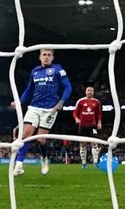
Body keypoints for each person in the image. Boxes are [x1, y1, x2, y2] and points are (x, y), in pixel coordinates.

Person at [10, 48, 72, 176]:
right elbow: (29, 90)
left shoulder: (58, 69)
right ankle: (19, 165)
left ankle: (44, 158)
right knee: (26, 135)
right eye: (44, 55)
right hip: (34, 108)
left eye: (49, 55)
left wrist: (60, 103)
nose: (46, 57)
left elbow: (68, 87)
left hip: (50, 109)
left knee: (41, 140)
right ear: (40, 57)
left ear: (52, 57)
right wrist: (19, 102)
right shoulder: (35, 71)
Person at [72, 85, 103, 169]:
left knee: (94, 143)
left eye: (91, 90)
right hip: (82, 126)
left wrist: (99, 122)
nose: (90, 92)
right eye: (88, 90)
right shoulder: (80, 101)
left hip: (92, 125)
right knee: (83, 144)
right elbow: (75, 112)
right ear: (85, 92)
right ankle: (84, 163)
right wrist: (76, 119)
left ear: (93, 92)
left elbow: (99, 114)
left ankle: (95, 162)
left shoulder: (96, 102)